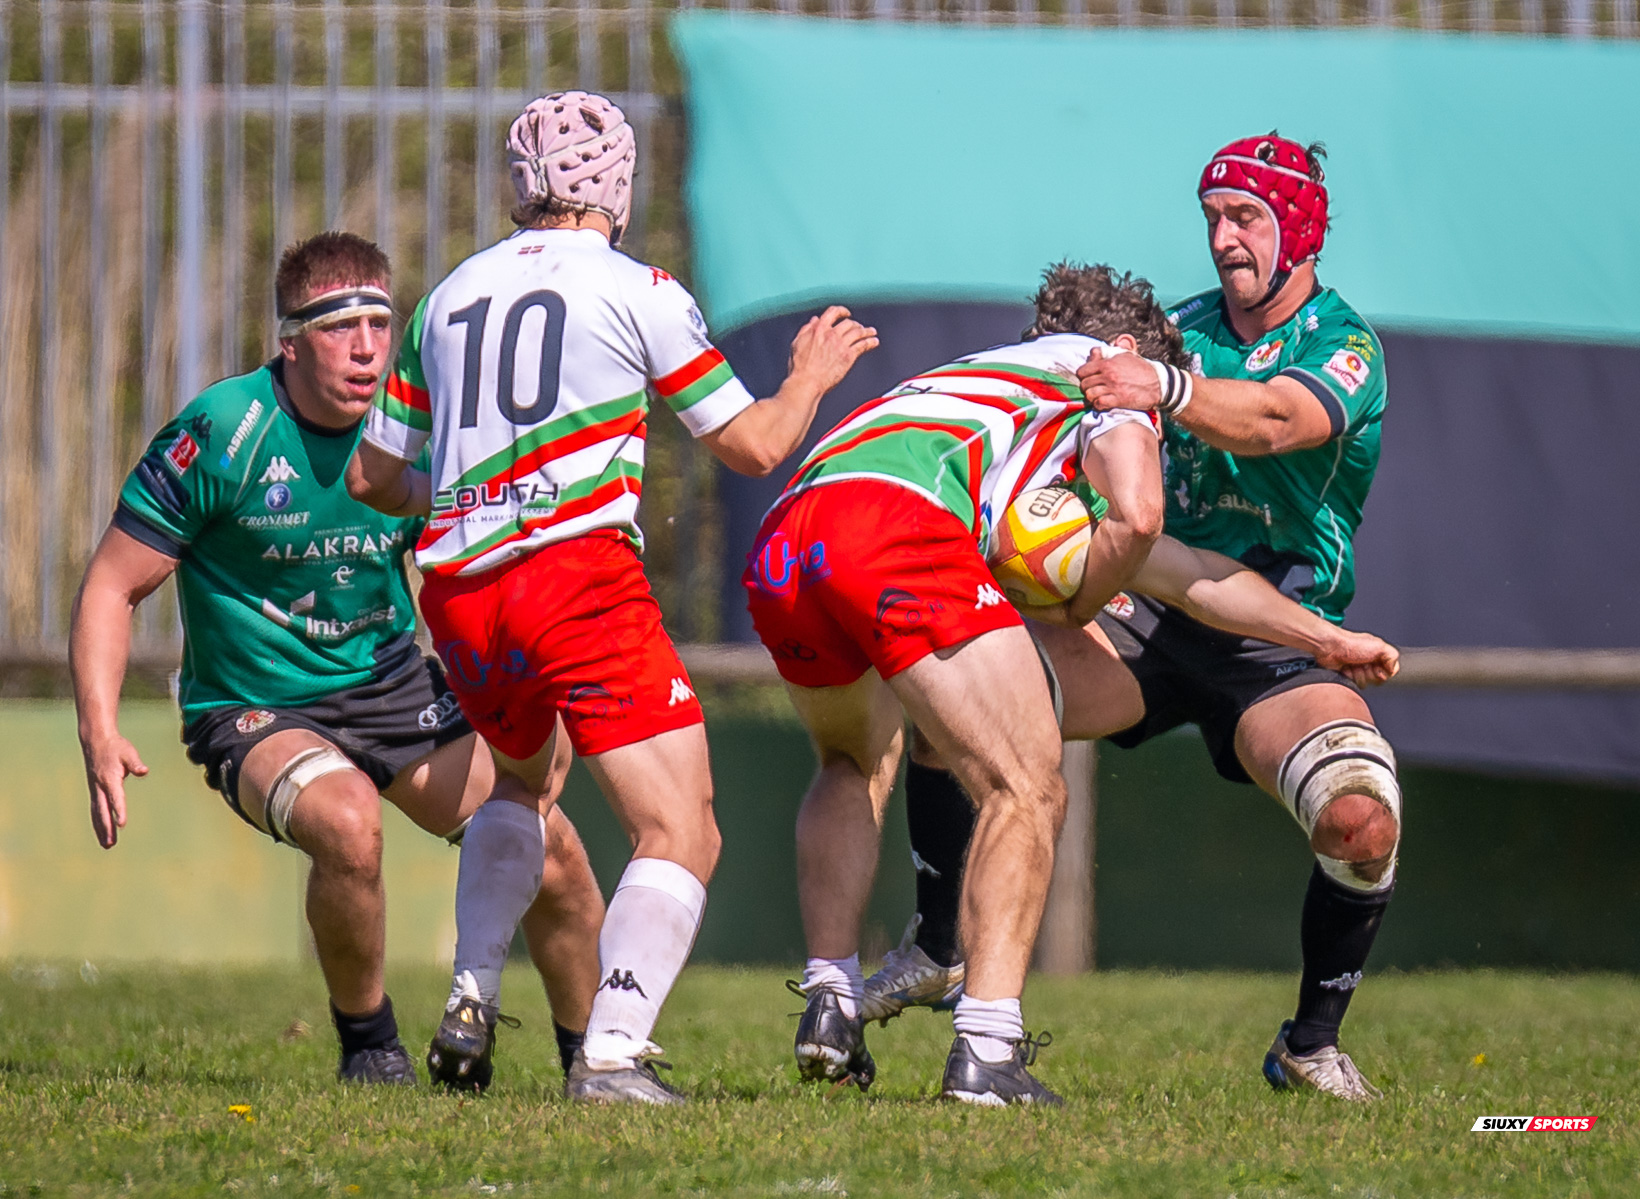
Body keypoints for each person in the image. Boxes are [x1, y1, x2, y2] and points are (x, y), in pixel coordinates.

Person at [347, 91, 877, 1105]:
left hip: (458, 586)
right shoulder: (639, 288)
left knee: (521, 786)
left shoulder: (446, 298)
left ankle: (471, 992)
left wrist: (470, 488)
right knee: (684, 828)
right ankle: (614, 1050)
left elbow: (375, 478)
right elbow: (754, 443)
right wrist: (809, 377)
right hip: (574, 576)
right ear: (616, 183)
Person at [869, 135, 1403, 1103]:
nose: (1224, 239)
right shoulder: (1178, 326)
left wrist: (1168, 387)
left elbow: (1280, 418)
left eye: (1246, 218)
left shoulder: (1346, 344)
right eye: (1213, 219)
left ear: (1301, 227)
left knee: (1361, 817)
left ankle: (1309, 1044)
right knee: (952, 688)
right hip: (1145, 605)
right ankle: (940, 939)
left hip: (1275, 631)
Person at [71, 231, 604, 1089]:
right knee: (350, 823)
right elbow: (109, 587)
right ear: (289, 340)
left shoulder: (418, 436)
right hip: (254, 705)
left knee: (553, 852)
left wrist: (525, 693)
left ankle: (596, 1060)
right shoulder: (224, 430)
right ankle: (371, 1048)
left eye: (379, 324)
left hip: (389, 683)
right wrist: (99, 732)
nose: (364, 348)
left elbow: (484, 574)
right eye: (336, 326)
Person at [745, 265, 1197, 1106]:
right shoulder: (1109, 374)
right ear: (1128, 346)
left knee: (849, 762)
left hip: (793, 530)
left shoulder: (973, 374)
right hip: (896, 526)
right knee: (1026, 787)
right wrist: (1092, 589)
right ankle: (987, 1049)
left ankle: (829, 1001)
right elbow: (1137, 514)